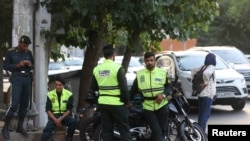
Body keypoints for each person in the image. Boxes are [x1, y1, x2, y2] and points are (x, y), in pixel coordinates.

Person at [90, 44, 132, 141]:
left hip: (103, 103)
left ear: (104, 55)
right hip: (117, 103)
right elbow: (124, 89)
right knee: (124, 130)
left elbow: (94, 87)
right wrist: (127, 102)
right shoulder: (117, 68)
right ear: (113, 55)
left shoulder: (97, 69)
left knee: (107, 130)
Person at [130, 51, 171, 141]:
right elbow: (133, 90)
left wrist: (163, 95)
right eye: (147, 60)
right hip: (148, 107)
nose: (150, 62)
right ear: (144, 61)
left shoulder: (162, 72)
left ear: (155, 61)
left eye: (151, 60)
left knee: (162, 131)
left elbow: (168, 87)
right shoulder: (140, 74)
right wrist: (127, 101)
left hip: (162, 105)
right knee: (157, 132)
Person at [2, 35, 34, 139]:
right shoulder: (11, 52)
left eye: (27, 46)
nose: (25, 47)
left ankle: (20, 126)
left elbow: (33, 66)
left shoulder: (28, 53)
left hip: (27, 78)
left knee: (25, 104)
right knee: (14, 104)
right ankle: (5, 127)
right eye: (24, 45)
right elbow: (5, 66)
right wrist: (17, 65)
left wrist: (30, 65)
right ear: (20, 43)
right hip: (17, 78)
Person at [40, 76, 77, 141]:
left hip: (64, 115)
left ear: (63, 85)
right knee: (47, 130)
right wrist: (56, 120)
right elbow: (48, 110)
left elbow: (69, 110)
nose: (58, 87)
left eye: (60, 85)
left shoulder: (69, 94)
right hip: (54, 115)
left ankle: (69, 138)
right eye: (56, 85)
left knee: (73, 123)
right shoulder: (50, 94)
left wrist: (60, 119)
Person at [191, 53, 216, 132]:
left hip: (201, 94)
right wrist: (205, 82)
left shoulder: (203, 67)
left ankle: (200, 132)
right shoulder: (211, 67)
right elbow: (206, 74)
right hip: (207, 94)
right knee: (205, 116)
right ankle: (201, 133)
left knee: (201, 114)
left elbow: (192, 70)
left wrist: (193, 80)